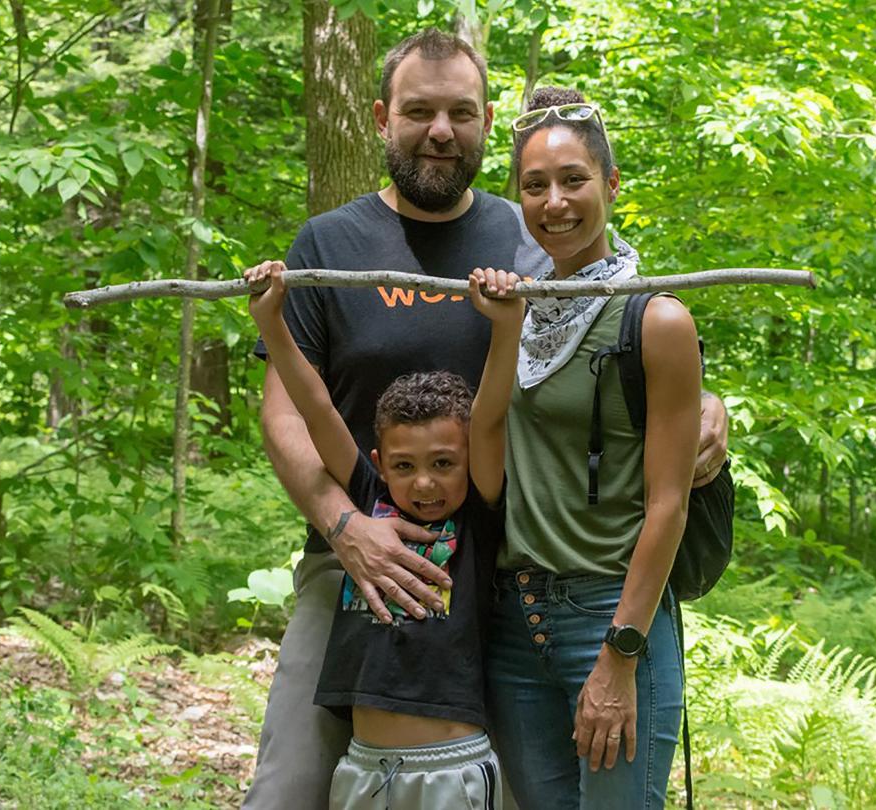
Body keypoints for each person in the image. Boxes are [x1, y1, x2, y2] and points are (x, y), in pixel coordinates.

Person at [240, 29, 728, 810]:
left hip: (505, 575)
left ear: (486, 119)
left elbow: (630, 336)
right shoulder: (328, 244)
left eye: (460, 112)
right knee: (290, 788)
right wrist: (345, 529)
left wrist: (710, 403)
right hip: (354, 559)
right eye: (419, 110)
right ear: (379, 117)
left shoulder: (534, 238)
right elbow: (285, 418)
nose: (440, 130)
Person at [483, 86, 700, 809]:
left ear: (610, 184)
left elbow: (667, 504)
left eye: (574, 180)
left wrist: (620, 657)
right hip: (516, 622)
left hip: (610, 615)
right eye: (535, 186)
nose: (555, 202)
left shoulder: (656, 318)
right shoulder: (519, 311)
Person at [245, 260, 523, 809]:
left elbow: (490, 416)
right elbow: (316, 406)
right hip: (364, 770)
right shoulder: (367, 496)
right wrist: (273, 323)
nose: (424, 482)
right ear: (380, 462)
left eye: (445, 463)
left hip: (452, 773)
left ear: (469, 462)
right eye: (405, 466)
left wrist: (507, 328)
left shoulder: (477, 515)